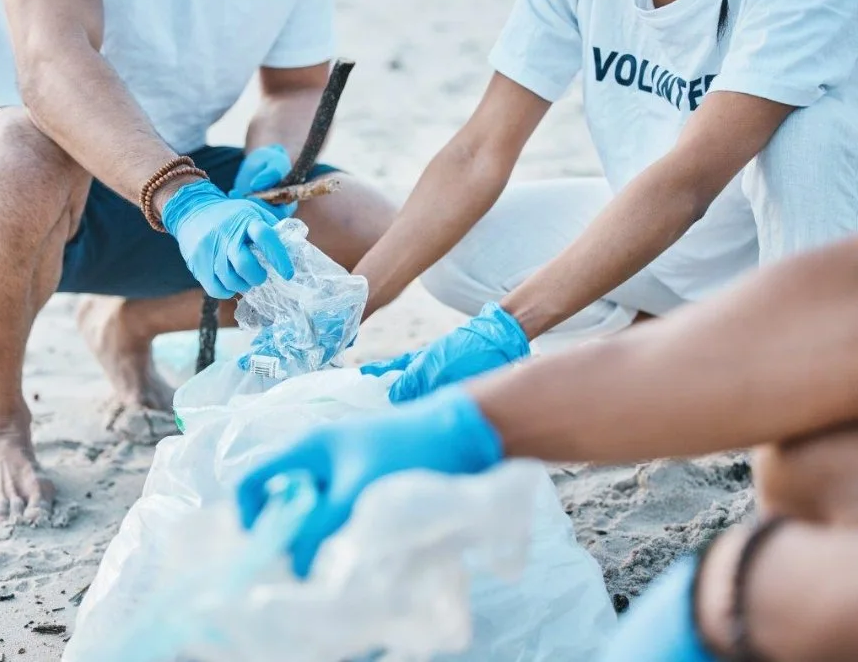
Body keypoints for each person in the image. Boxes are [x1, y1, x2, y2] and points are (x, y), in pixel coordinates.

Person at [0, 0, 394, 523]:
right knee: (28, 158)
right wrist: (185, 198)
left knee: (370, 232)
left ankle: (127, 326)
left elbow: (295, 87)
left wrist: (272, 168)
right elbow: (50, 62)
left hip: (160, 181)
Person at [238, 235, 858, 659]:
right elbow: (828, 313)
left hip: (761, 611)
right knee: (821, 457)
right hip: (735, 603)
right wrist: (471, 424)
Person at [347, 0, 858, 403]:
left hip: (791, 263)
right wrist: (345, 302)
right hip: (670, 247)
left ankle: (804, 374)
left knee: (808, 134)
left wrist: (507, 327)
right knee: (458, 251)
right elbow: (478, 151)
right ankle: (688, 361)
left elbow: (691, 181)